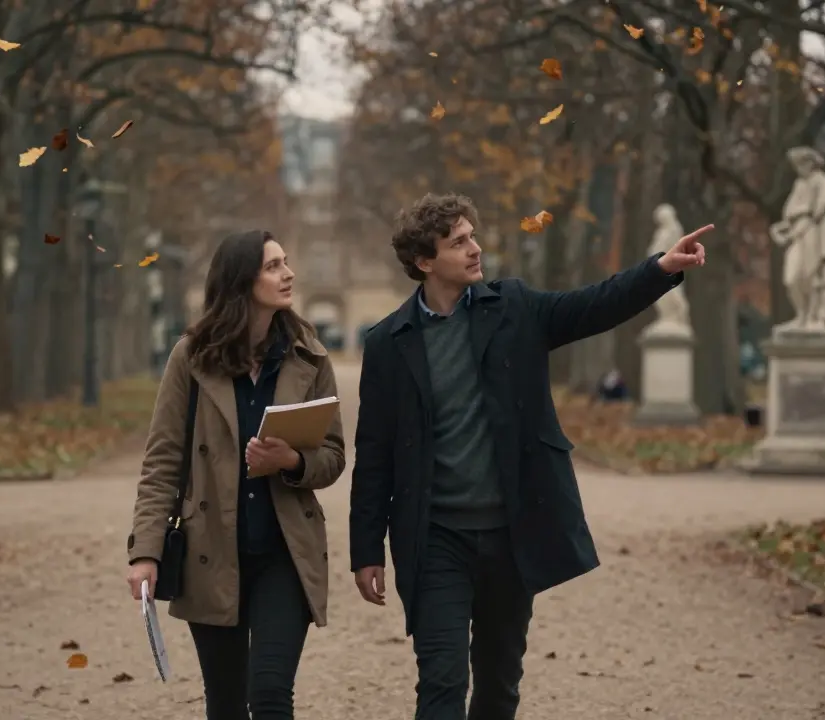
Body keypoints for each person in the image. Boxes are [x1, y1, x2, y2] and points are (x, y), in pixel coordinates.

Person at [349, 193, 709, 719]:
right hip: (434, 539)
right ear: (424, 262)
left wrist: (660, 270)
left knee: (498, 687)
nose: (476, 249)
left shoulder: (515, 307)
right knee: (442, 682)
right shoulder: (388, 342)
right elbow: (374, 451)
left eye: (472, 235)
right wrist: (366, 549)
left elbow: (594, 304)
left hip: (510, 536)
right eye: (459, 242)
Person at [126, 230, 346, 720]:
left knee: (269, 695)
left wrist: (290, 461)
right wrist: (145, 553)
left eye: (286, 263)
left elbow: (333, 456)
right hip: (211, 555)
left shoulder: (309, 355)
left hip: (285, 556)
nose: (288, 274)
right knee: (225, 704)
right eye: (273, 266)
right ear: (240, 281)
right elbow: (162, 462)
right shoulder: (191, 356)